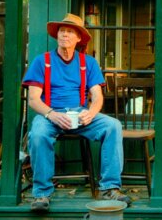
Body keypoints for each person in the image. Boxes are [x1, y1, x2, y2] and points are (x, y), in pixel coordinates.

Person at [22, 14, 131, 212]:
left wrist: (91, 113)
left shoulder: (87, 63)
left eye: (70, 31)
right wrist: (52, 114)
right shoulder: (42, 61)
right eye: (62, 31)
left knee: (112, 125)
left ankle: (110, 187)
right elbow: (33, 99)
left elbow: (97, 96)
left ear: (79, 38)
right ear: (57, 35)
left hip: (79, 114)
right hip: (50, 114)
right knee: (37, 134)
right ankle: (42, 194)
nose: (64, 34)